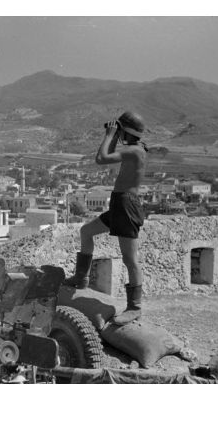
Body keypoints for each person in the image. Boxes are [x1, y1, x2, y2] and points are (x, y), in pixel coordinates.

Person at [63, 111, 147, 325]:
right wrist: (114, 135)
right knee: (86, 231)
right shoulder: (134, 149)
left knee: (130, 259)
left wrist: (110, 134)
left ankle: (135, 307)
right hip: (120, 203)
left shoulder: (135, 151)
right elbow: (107, 156)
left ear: (125, 131)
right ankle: (81, 278)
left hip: (127, 205)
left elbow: (100, 159)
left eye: (120, 129)